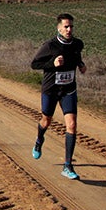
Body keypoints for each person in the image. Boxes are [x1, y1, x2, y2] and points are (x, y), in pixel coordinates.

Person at [30, 13, 87, 180]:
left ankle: (68, 165)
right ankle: (39, 140)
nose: (69, 30)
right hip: (51, 90)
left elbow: (76, 57)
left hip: (68, 90)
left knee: (72, 125)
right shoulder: (49, 46)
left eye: (71, 27)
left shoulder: (77, 44)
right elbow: (34, 64)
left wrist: (81, 65)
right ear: (59, 28)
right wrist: (52, 64)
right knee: (46, 120)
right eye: (66, 27)